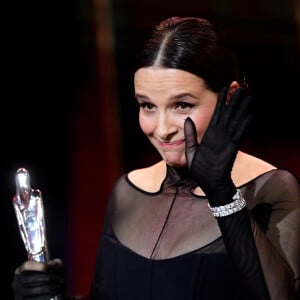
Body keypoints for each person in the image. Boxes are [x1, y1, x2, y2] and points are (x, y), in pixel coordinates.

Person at [12, 16, 300, 300]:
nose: (162, 129)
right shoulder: (128, 190)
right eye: (147, 105)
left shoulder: (272, 189)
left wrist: (222, 193)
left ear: (229, 97)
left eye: (182, 105)